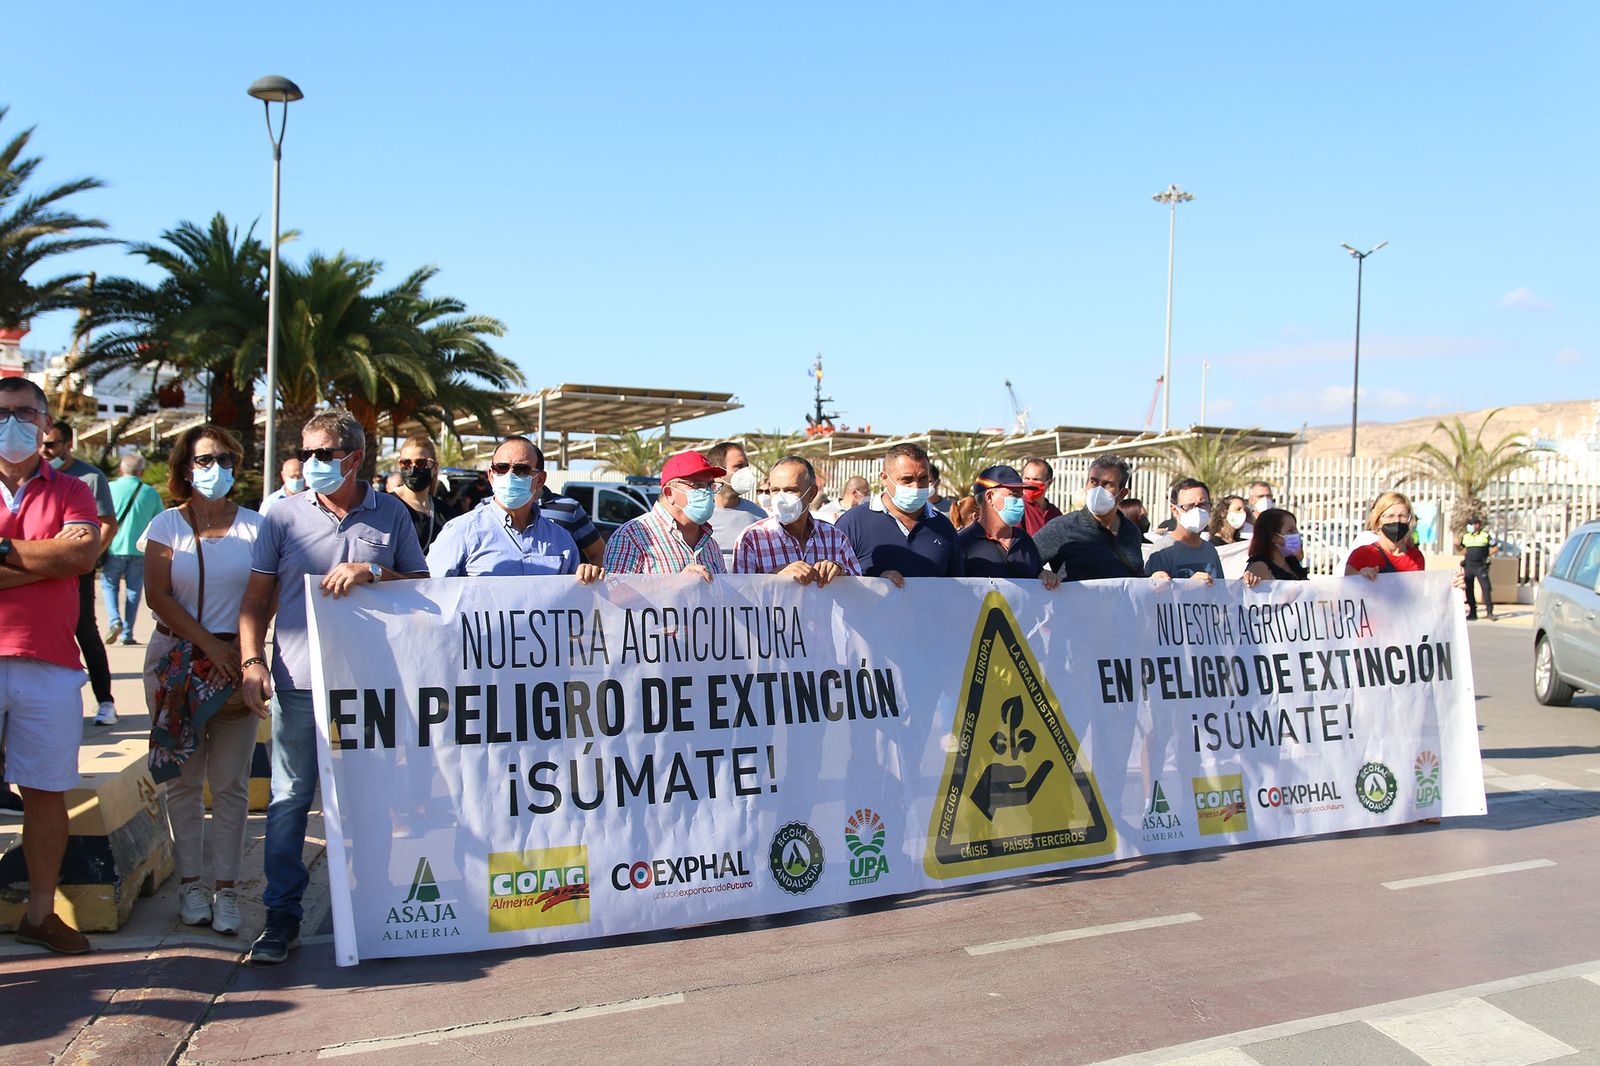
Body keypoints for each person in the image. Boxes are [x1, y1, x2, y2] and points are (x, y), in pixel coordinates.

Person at [239, 409, 429, 964]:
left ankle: (372, 905)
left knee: (370, 799)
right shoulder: (282, 516)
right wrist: (252, 661)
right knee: (290, 800)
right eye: (307, 453)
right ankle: (282, 917)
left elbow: (422, 589)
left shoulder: (390, 513)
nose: (310, 464)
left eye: (323, 455)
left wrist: (375, 573)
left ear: (353, 458)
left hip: (370, 685)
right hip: (298, 681)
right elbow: (256, 600)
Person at [142, 425, 264, 937]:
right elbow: (158, 595)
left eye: (223, 458)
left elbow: (265, 594)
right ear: (184, 467)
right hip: (176, 660)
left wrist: (239, 651)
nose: (213, 467)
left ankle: (227, 889)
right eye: (202, 459)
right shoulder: (166, 525)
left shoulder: (257, 527)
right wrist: (209, 645)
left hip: (237, 664)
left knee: (232, 785)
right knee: (185, 783)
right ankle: (191, 882)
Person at [0, 377, 101, 954]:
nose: (12, 422)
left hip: (52, 664)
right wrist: (48, 560)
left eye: (23, 413)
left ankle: (40, 914)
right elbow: (63, 557)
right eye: (2, 412)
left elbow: (83, 554)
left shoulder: (72, 488)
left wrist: (4, 549)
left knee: (46, 793)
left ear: (44, 423)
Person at [428, 436, 603, 581]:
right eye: (502, 468)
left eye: (521, 469)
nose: (510, 475)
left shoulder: (561, 540)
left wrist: (587, 577)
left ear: (540, 479)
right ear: (491, 475)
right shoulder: (461, 532)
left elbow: (574, 603)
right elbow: (430, 591)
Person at [40, 420, 119, 726]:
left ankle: (105, 701)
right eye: (42, 444)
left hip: (76, 571)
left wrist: (86, 557)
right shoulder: (34, 475)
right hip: (41, 568)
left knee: (85, 632)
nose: (45, 451)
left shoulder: (88, 477)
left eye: (51, 445)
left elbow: (107, 522)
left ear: (68, 444)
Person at [835, 443, 964, 584]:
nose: (915, 487)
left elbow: (957, 589)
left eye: (923, 478)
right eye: (907, 479)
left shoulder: (943, 527)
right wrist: (875, 583)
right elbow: (833, 584)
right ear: (884, 478)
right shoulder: (853, 523)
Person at [732, 455, 860, 584]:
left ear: (812, 493)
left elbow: (861, 592)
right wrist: (774, 577)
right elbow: (742, 596)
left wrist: (840, 572)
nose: (781, 498)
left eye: (791, 490)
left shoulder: (835, 538)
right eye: (775, 490)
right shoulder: (752, 539)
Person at [603, 449, 727, 578]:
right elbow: (615, 594)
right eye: (697, 485)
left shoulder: (711, 545)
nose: (707, 492)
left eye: (710, 486)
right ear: (669, 493)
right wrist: (675, 584)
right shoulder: (631, 536)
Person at [1033, 455, 1145, 581]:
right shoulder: (1063, 527)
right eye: (1093, 482)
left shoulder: (1132, 531)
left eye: (1107, 484)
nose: (1098, 490)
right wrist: (1041, 573)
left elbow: (1137, 578)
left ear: (1122, 494)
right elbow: (1022, 563)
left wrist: (1155, 578)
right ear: (1086, 485)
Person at [956, 465, 1061, 587]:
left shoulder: (1025, 540)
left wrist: (1045, 576)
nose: (1020, 501)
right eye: (1014, 495)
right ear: (990, 497)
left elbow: (1037, 577)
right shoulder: (963, 543)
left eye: (1021, 495)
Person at [101, 452, 163, 646]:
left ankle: (114, 620)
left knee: (109, 585)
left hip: (112, 547)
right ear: (141, 472)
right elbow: (159, 520)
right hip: (139, 550)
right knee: (134, 591)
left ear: (121, 469)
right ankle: (127, 633)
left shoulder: (109, 488)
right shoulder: (150, 492)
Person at [389, 434, 460, 553]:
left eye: (421, 463)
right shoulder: (385, 506)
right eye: (406, 463)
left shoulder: (445, 513)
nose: (413, 469)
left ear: (434, 467)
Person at [1146, 478, 1223, 584]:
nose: (1197, 511)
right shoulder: (1162, 551)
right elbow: (1151, 596)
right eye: (1189, 506)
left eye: (1203, 504)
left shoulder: (1210, 550)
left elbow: (1221, 592)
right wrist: (1187, 587)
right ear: (1174, 510)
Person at [703, 441, 766, 565]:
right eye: (739, 466)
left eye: (747, 466)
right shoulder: (699, 515)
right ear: (718, 472)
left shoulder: (759, 517)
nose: (746, 472)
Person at [1346, 490, 1426, 577]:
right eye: (1390, 516)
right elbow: (1346, 587)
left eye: (1403, 516)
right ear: (1378, 521)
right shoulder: (1361, 555)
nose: (1397, 520)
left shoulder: (1416, 557)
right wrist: (1359, 577)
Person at [537, 482, 608, 566]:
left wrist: (587, 574)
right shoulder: (517, 511)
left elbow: (599, 554)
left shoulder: (569, 509)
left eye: (522, 470)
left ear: (541, 477)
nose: (517, 476)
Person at [1244, 507, 1309, 582]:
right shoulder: (1260, 567)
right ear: (1274, 537)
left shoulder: (1291, 562)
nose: (1296, 534)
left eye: (1296, 529)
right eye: (1290, 530)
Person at [1461, 516, 1498, 620]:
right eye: (1471, 524)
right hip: (1469, 566)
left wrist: (1486, 555)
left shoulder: (1486, 536)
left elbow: (1495, 547)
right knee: (1469, 590)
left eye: (1474, 524)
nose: (1473, 526)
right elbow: (1462, 549)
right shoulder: (1466, 536)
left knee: (1485, 588)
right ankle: (1473, 612)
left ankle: (1490, 612)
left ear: (1478, 525)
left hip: (1480, 566)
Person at [1020, 457, 1063, 535]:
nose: (1030, 483)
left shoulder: (1055, 513)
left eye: (1035, 479)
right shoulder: (1017, 508)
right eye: (1027, 478)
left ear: (1049, 483)